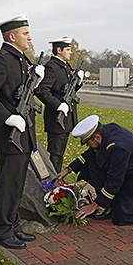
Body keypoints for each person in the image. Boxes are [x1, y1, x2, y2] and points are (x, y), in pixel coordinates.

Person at [0, 14, 45, 249]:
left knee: (17, 184)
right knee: (7, 186)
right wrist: (7, 118)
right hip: (10, 136)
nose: (30, 37)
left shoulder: (20, 59)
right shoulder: (3, 59)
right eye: (26, 33)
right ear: (12, 36)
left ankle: (13, 224)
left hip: (24, 136)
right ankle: (2, 231)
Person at [53, 115, 133, 226]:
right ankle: (108, 205)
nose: (86, 145)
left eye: (87, 142)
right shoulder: (104, 133)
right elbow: (89, 154)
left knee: (125, 216)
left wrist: (94, 205)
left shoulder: (118, 147)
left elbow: (115, 180)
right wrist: (67, 170)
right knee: (91, 165)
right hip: (126, 173)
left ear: (96, 137)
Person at [36, 37, 83, 173]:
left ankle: (55, 182)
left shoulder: (64, 66)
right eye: (68, 50)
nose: (70, 52)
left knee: (59, 154)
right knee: (55, 155)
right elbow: (41, 90)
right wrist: (58, 105)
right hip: (57, 121)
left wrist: (78, 82)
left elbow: (69, 91)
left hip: (66, 120)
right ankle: (52, 185)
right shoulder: (52, 67)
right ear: (59, 50)